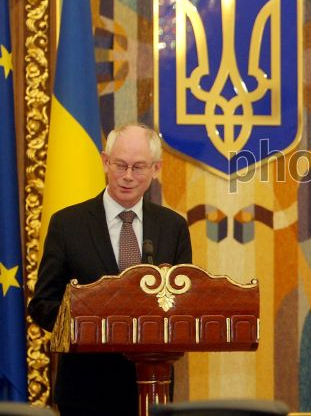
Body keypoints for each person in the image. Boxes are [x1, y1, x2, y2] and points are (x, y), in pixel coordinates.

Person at [29, 123, 192, 416]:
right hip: (85, 390)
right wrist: (86, 326)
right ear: (105, 162)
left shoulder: (173, 227)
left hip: (151, 387)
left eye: (138, 167)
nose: (128, 176)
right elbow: (42, 304)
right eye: (120, 165)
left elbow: (185, 305)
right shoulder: (68, 225)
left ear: (156, 169)